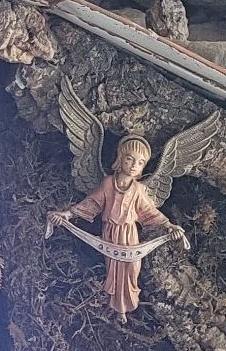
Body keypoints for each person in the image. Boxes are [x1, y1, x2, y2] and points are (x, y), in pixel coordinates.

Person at [48, 136, 185, 320]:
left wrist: (168, 225)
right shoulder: (107, 184)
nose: (134, 165)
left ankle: (129, 304)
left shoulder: (138, 189)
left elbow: (149, 211)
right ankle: (118, 308)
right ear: (120, 158)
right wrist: (67, 214)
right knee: (114, 271)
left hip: (130, 235)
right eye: (130, 159)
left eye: (140, 162)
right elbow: (92, 203)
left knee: (131, 268)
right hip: (111, 234)